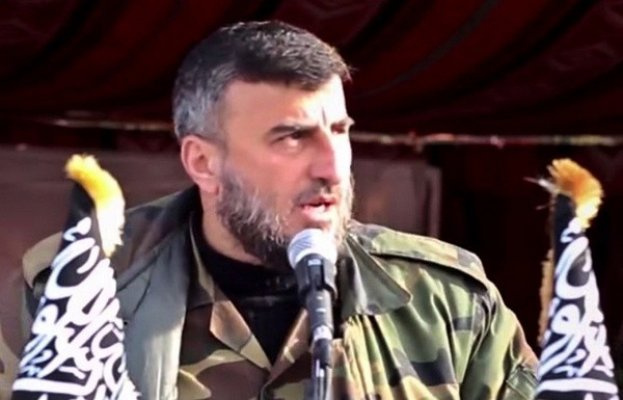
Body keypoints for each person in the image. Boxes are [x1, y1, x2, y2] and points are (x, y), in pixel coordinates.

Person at [18, 20, 537, 399]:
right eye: (292, 137)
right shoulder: (79, 291)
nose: (332, 167)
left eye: (340, 131)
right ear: (203, 162)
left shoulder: (444, 300)